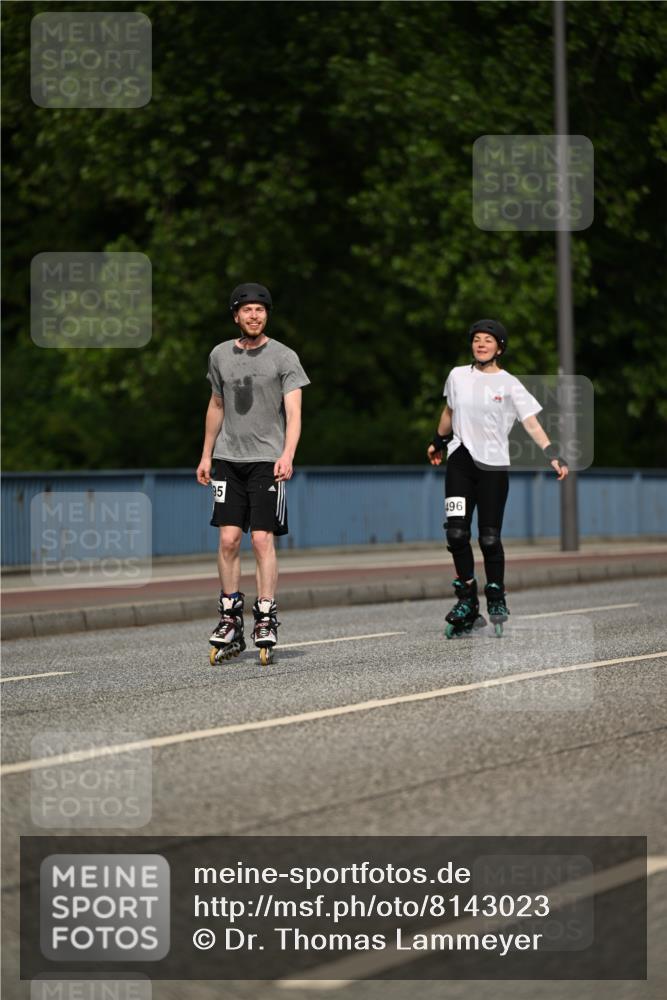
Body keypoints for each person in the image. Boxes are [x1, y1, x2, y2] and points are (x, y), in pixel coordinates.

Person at [427, 319, 568, 637]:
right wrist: (437, 441)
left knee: (489, 538)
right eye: (476, 339)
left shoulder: (510, 384)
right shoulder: (457, 376)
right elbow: (449, 412)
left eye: (487, 340)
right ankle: (466, 598)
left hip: (493, 468)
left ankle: (496, 596)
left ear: (499, 347)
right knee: (456, 533)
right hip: (460, 461)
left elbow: (531, 423)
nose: (480, 344)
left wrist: (552, 452)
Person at [196, 283, 310, 663]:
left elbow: (294, 412)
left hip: (267, 461)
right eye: (247, 310)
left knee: (262, 539)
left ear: (267, 315)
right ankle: (230, 618)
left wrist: (288, 454)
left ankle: (265, 616)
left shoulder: (284, 356)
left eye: (260, 310)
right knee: (229, 539)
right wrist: (206, 455)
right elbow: (216, 405)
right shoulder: (219, 355)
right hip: (228, 459)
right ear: (235, 315)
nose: (254, 315)